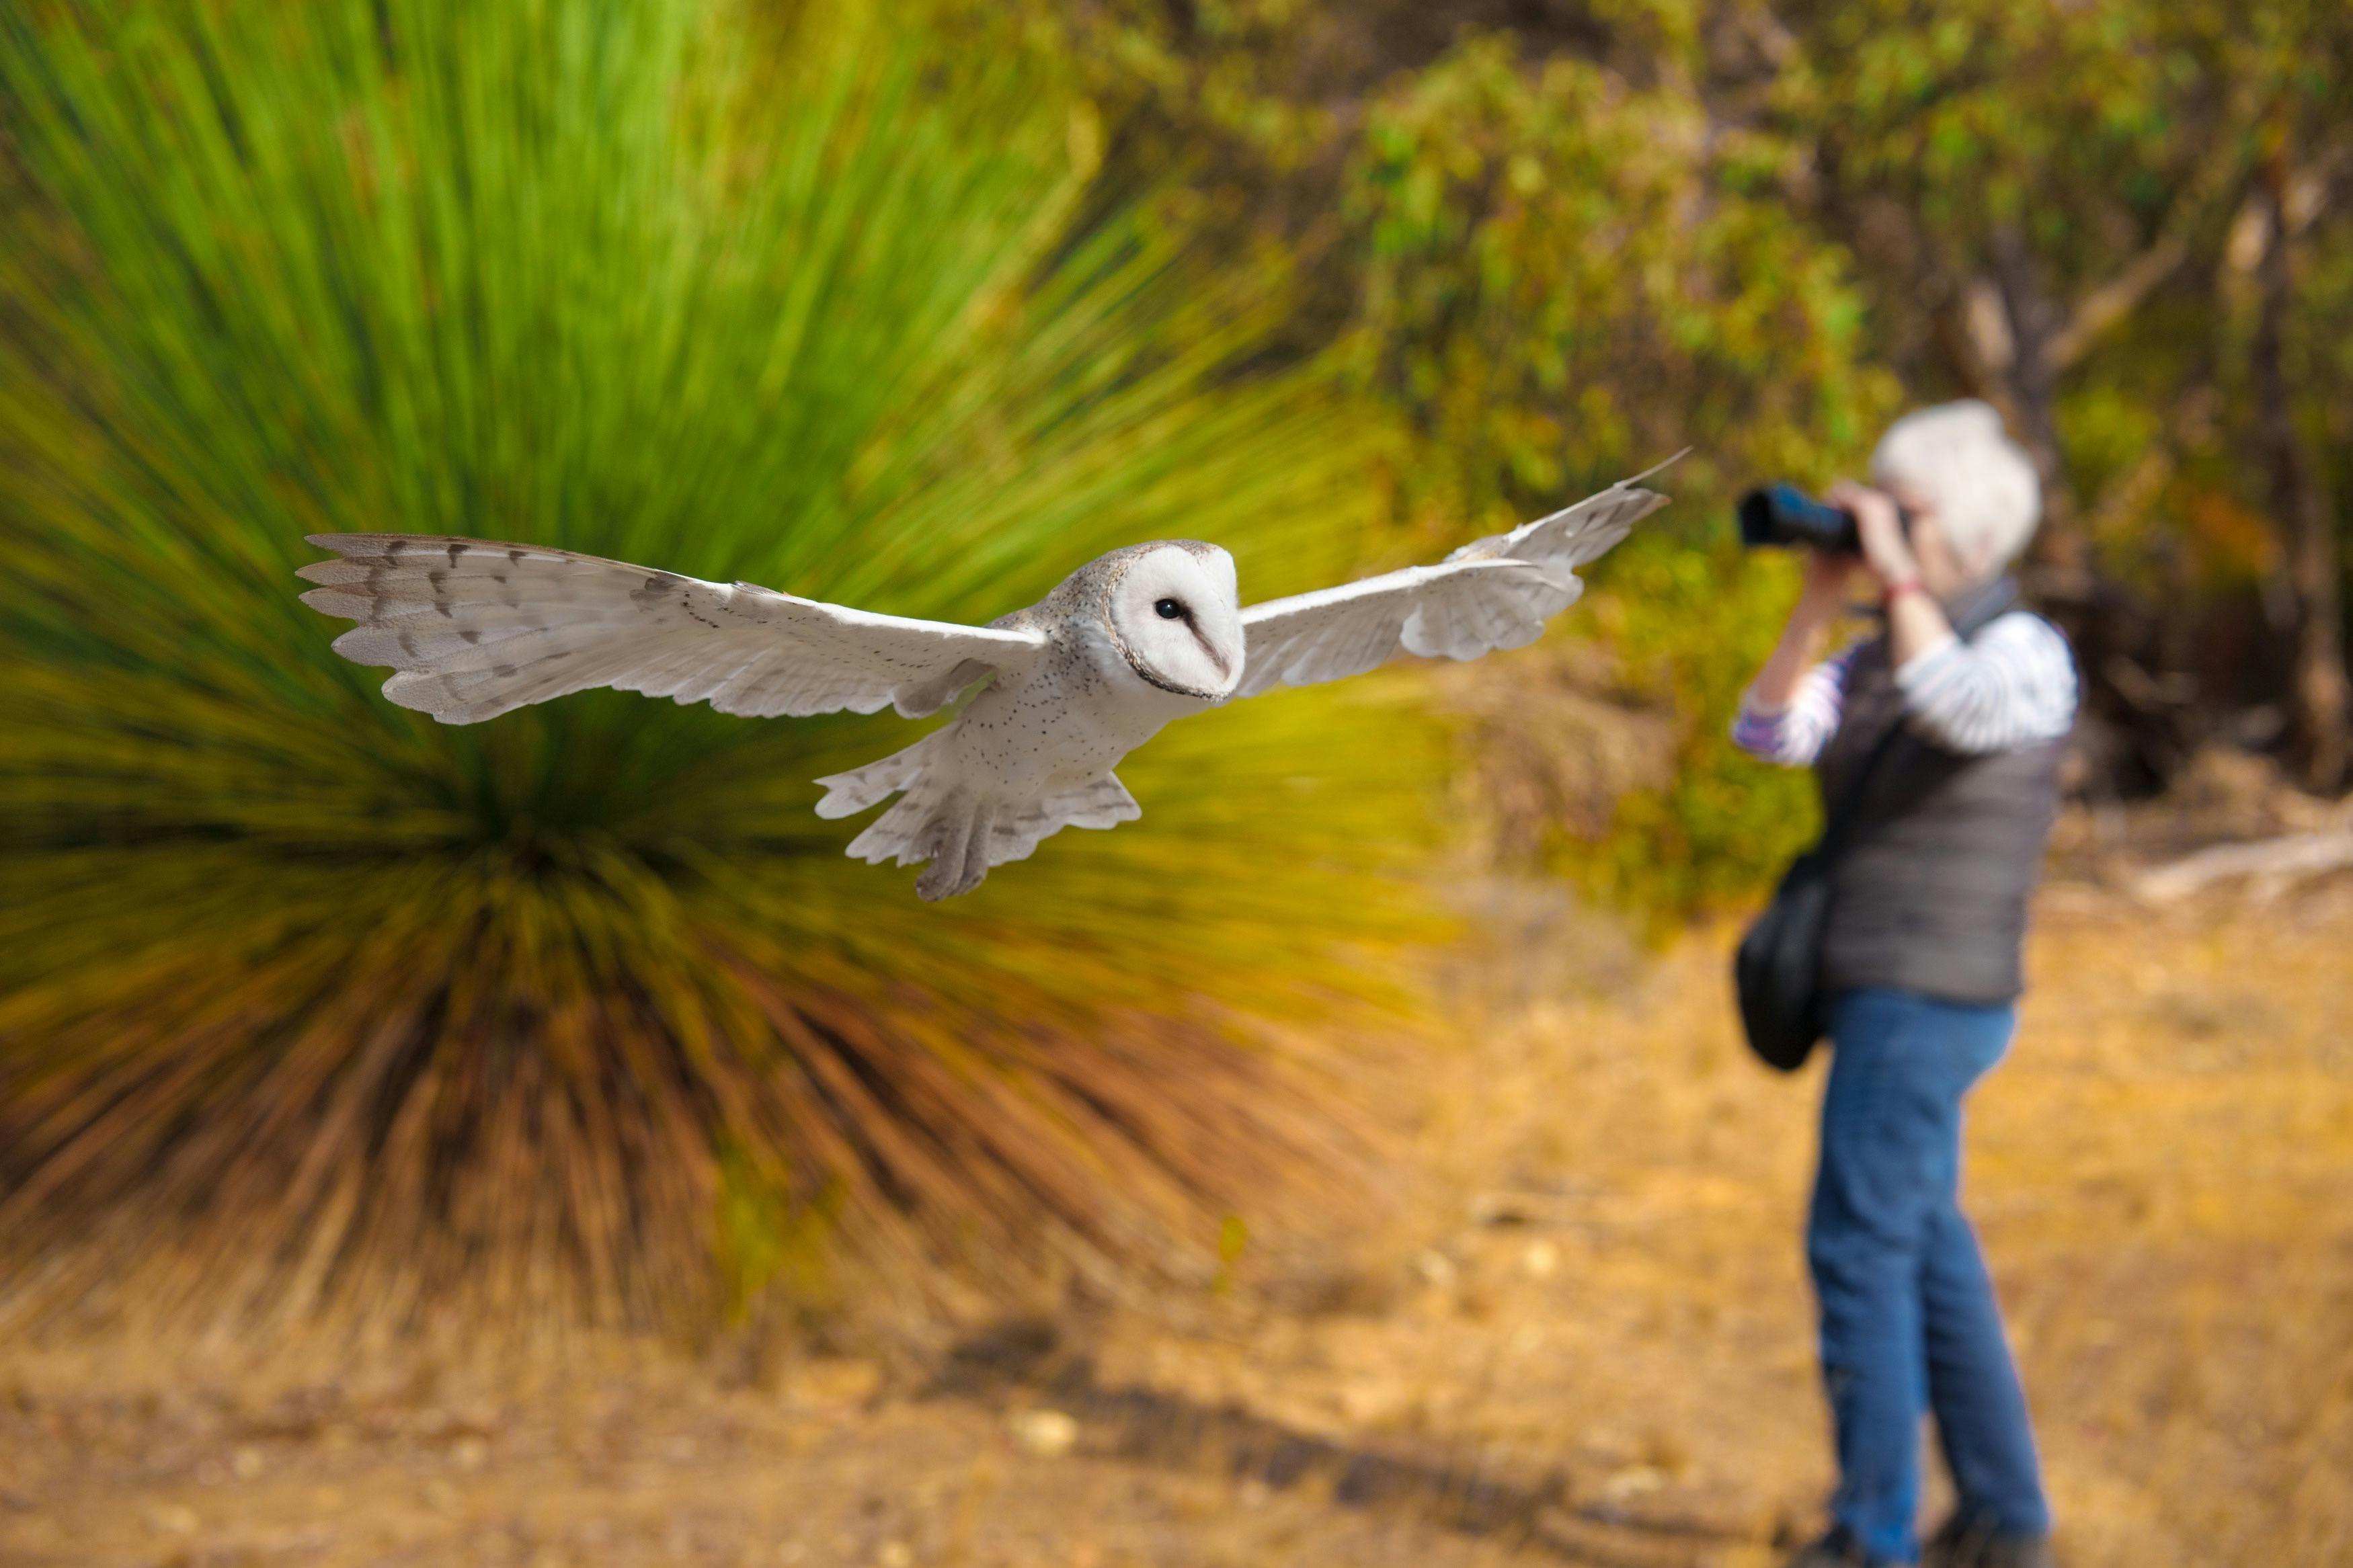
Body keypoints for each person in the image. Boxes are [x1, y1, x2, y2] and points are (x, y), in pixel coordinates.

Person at [1733, 401, 2077, 1568]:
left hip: (1933, 995)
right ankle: (2005, 1518)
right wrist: (1820, 600)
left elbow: (1961, 707)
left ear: (1969, 535)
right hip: (1878, 982)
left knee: (1857, 1243)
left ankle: (1870, 1533)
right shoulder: (1878, 651)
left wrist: (1899, 581)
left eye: (1905, 509)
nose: (1878, 520)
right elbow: (1768, 733)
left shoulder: (2024, 651)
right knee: (1922, 1239)